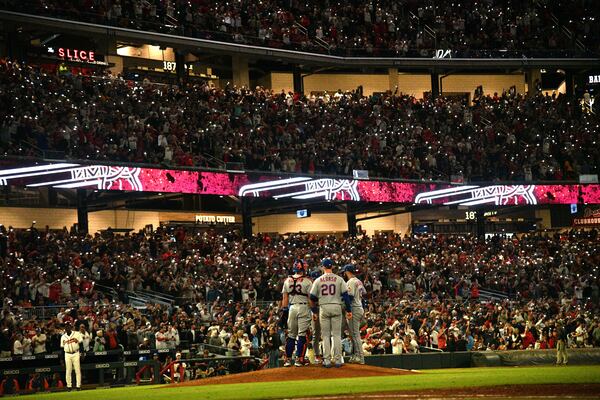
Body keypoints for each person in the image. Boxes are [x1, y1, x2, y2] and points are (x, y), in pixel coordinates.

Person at [309, 258, 352, 368]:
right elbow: (346, 297)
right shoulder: (339, 279)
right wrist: (349, 310)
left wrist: (314, 311)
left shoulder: (318, 280)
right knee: (337, 335)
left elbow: (312, 297)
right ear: (332, 267)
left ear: (323, 267)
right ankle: (338, 360)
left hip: (324, 307)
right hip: (336, 306)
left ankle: (327, 360)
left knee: (326, 335)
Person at [281, 259, 313, 367]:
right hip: (303, 306)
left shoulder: (287, 280)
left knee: (291, 335)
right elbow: (310, 299)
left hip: (292, 308)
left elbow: (285, 298)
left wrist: (284, 311)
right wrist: (315, 311)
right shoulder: (307, 281)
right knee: (302, 335)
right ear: (302, 268)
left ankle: (287, 360)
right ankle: (299, 359)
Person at [342, 264, 366, 364]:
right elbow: (363, 294)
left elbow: (350, 297)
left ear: (347, 271)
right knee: (354, 334)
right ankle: (357, 355)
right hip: (359, 307)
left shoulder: (351, 282)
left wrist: (346, 308)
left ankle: (360, 357)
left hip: (354, 309)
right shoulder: (359, 281)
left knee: (355, 335)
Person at [60, 321, 82, 391]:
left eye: (68, 326)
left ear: (71, 326)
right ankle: (69, 386)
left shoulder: (77, 334)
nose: (67, 327)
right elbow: (62, 349)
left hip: (76, 353)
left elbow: (81, 344)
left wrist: (82, 353)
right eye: (65, 326)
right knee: (68, 370)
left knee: (77, 370)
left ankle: (78, 386)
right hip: (67, 354)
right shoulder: (63, 337)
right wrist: (61, 359)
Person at [309, 269, 323, 364]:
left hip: (321, 310)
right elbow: (310, 301)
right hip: (314, 311)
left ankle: (324, 356)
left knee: (323, 334)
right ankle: (316, 355)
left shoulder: (321, 286)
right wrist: (314, 312)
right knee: (316, 335)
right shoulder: (311, 287)